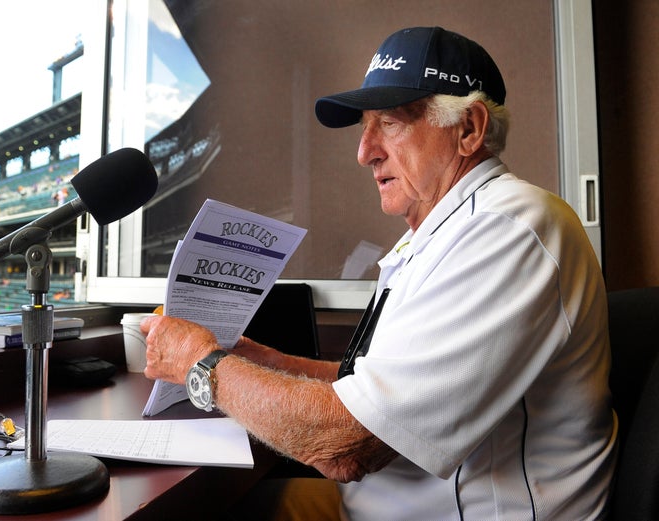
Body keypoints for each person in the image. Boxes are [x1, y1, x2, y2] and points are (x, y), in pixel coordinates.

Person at [141, 26, 617, 520]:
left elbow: (349, 446)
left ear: (470, 129)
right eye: (365, 127)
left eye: (389, 123)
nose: (364, 151)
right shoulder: (434, 235)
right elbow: (370, 388)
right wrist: (254, 359)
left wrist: (202, 367)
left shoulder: (509, 229)